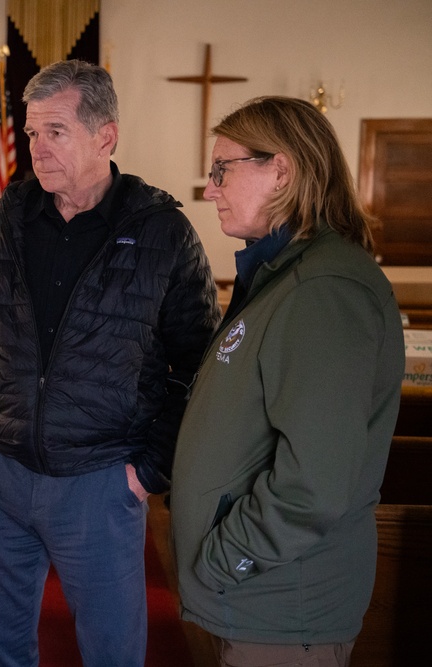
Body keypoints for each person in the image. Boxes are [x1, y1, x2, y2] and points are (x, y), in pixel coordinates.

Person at [0, 59, 220, 666]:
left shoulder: (163, 232)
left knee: (112, 651)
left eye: (55, 131)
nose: (38, 148)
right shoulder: (3, 221)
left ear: (105, 135)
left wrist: (147, 471)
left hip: (102, 478)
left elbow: (195, 364)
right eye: (32, 133)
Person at [170, 96, 406, 667]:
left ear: (281, 168)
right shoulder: (285, 275)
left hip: (283, 605)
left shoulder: (322, 291)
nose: (210, 188)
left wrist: (228, 558)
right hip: (263, 599)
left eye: (221, 168)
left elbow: (313, 485)